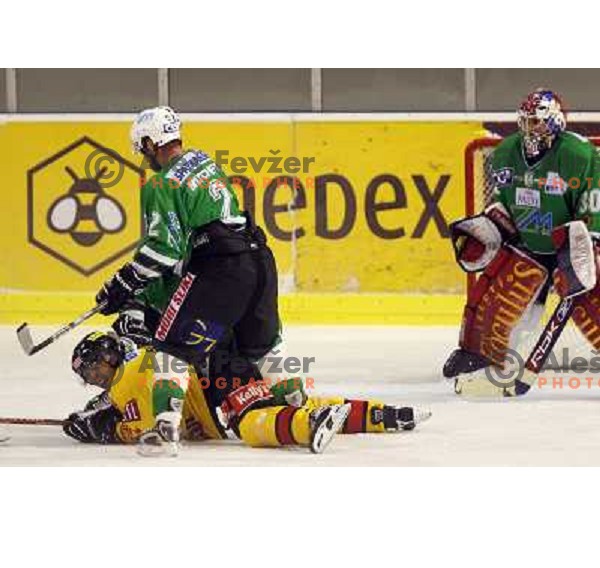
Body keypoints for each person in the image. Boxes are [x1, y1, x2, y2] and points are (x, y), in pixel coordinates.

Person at [94, 106, 282, 454]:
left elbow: (164, 251)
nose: (144, 157)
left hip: (221, 268)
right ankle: (294, 412)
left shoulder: (161, 183)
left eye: (143, 148)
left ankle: (165, 430)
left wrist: (122, 284)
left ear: (151, 142)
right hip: (260, 260)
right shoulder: (204, 161)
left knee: (170, 350)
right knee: (260, 349)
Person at [444, 88, 600, 394]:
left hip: (570, 247)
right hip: (528, 244)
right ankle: (479, 353)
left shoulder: (578, 155)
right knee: (493, 296)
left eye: (538, 122)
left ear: (555, 123)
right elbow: (504, 200)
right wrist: (494, 225)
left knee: (593, 304)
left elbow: (594, 203)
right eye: (526, 121)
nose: (530, 128)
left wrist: (591, 244)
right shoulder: (506, 153)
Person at [63, 331, 431, 455]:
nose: (95, 380)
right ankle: (385, 414)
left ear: (107, 359)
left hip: (217, 388)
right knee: (288, 402)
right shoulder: (139, 360)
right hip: (231, 369)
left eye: (93, 371)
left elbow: (139, 427)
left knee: (253, 424)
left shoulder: (127, 378)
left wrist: (100, 429)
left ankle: (308, 424)